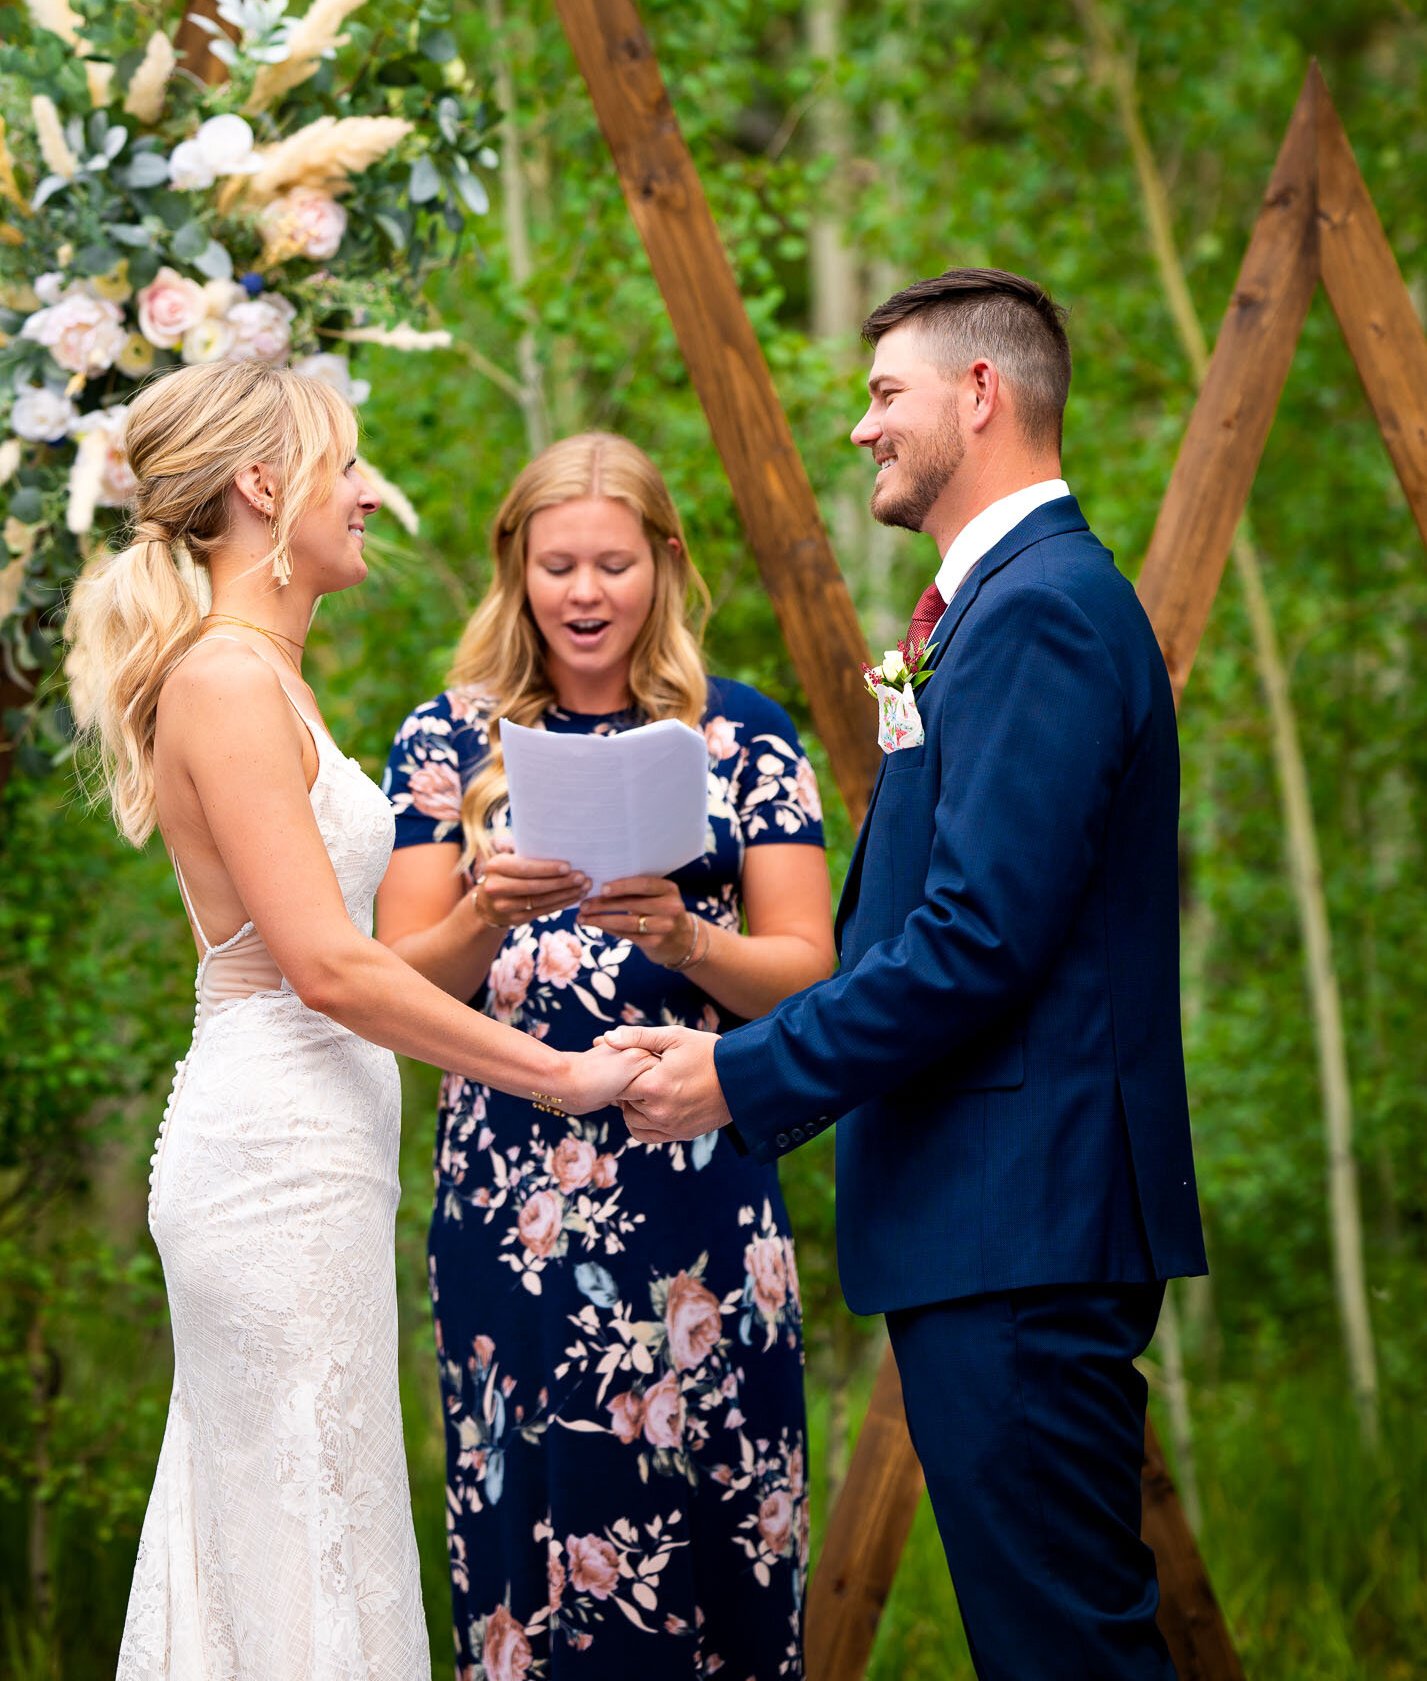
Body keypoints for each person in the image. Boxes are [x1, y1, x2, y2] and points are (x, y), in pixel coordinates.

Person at [604, 271, 1209, 1681]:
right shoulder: (999, 604)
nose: (861, 429)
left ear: (978, 396)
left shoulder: (1041, 611)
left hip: (1020, 1213)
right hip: (997, 1216)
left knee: (1063, 1652)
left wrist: (735, 1074)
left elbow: (975, 941)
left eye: (886, 395)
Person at [66, 361, 640, 1681]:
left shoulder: (268, 675)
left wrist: (491, 910)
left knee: (306, 1513)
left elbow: (367, 959)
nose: (371, 494)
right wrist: (556, 1076)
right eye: (348, 466)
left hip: (314, 1153)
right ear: (264, 488)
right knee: (296, 1523)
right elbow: (324, 973)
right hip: (269, 1159)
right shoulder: (223, 679)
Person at [377, 432, 833, 1681]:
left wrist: (690, 936)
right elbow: (390, 984)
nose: (586, 593)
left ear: (666, 567)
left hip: (702, 1198)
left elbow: (808, 972)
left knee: (721, 1532)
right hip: (511, 1209)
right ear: (516, 570)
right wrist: (484, 911)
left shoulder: (743, 733)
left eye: (615, 564)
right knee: (532, 1538)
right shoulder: (444, 740)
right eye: (559, 564)